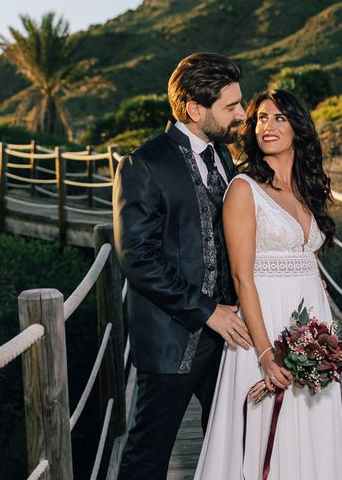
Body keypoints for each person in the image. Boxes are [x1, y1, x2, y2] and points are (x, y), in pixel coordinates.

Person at [113, 52, 254, 480]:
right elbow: (137, 258)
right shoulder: (144, 164)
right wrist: (207, 310)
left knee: (234, 445)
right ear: (194, 109)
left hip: (230, 340)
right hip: (171, 341)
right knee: (147, 457)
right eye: (231, 107)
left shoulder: (222, 157)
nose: (242, 115)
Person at [194, 89, 342, 480]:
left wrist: (318, 291)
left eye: (279, 117)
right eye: (261, 118)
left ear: (298, 127)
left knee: (312, 425)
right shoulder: (243, 189)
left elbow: (304, 252)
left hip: (311, 324)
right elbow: (242, 276)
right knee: (265, 436)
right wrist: (264, 353)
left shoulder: (308, 189)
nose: (268, 125)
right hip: (266, 323)